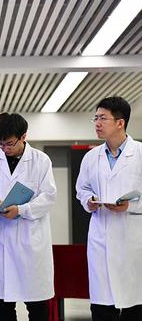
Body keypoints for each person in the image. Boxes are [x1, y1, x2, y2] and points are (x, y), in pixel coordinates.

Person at [0, 113, 56, 321]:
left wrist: (21, 210)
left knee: (37, 307)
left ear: (23, 137)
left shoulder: (40, 160)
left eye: (9, 143)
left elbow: (48, 197)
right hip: (1, 241)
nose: (4, 148)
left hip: (30, 242)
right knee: (3, 307)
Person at [75, 96, 142, 321]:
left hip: (132, 239)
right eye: (95, 118)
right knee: (103, 307)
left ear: (120, 123)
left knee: (134, 304)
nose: (97, 123)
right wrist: (89, 200)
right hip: (100, 239)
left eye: (103, 118)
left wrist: (130, 205)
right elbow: (81, 189)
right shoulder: (91, 157)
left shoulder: (140, 154)